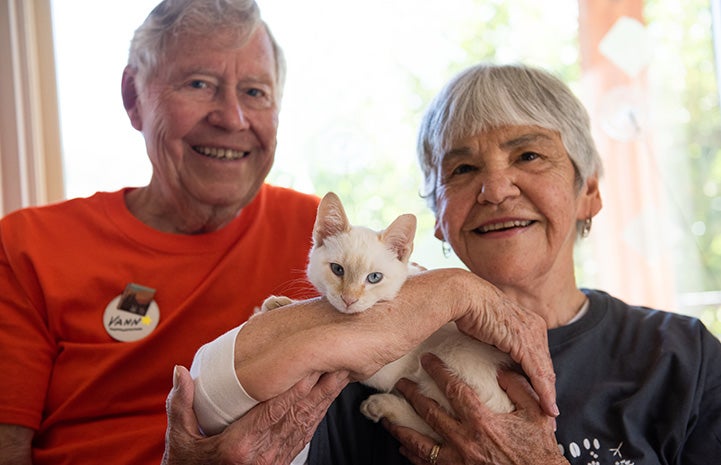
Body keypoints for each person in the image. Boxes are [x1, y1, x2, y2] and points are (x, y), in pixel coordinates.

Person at [0, 2, 557, 464]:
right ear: (132, 96)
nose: (233, 118)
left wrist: (456, 288)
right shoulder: (30, 246)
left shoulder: (319, 230)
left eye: (256, 94)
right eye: (199, 83)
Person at [172, 63, 721, 465]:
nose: (496, 189)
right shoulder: (359, 360)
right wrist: (452, 291)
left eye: (528, 155)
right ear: (435, 217)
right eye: (461, 169)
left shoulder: (684, 359)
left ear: (590, 193)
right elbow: (213, 398)